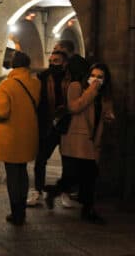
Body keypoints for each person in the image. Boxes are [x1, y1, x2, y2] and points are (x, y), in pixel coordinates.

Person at [45, 63, 115, 224]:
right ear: (88, 75)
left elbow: (105, 113)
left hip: (92, 140)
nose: (96, 79)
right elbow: (75, 107)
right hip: (75, 138)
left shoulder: (104, 94)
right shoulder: (76, 87)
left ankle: (82, 207)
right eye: (94, 75)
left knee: (89, 176)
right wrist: (92, 90)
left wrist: (109, 117)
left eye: (100, 77)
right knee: (74, 175)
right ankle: (60, 193)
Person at [0, 51, 41, 226]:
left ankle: (16, 213)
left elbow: (2, 112)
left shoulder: (7, 85)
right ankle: (22, 210)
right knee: (23, 172)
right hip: (28, 134)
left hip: (11, 136)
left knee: (13, 175)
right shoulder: (35, 83)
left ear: (13, 65)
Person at [27, 51, 72, 207]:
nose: (53, 64)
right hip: (48, 124)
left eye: (57, 61)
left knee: (68, 161)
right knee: (41, 159)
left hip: (66, 124)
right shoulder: (44, 77)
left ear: (64, 62)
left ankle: (64, 192)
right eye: (51, 60)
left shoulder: (71, 78)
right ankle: (38, 191)